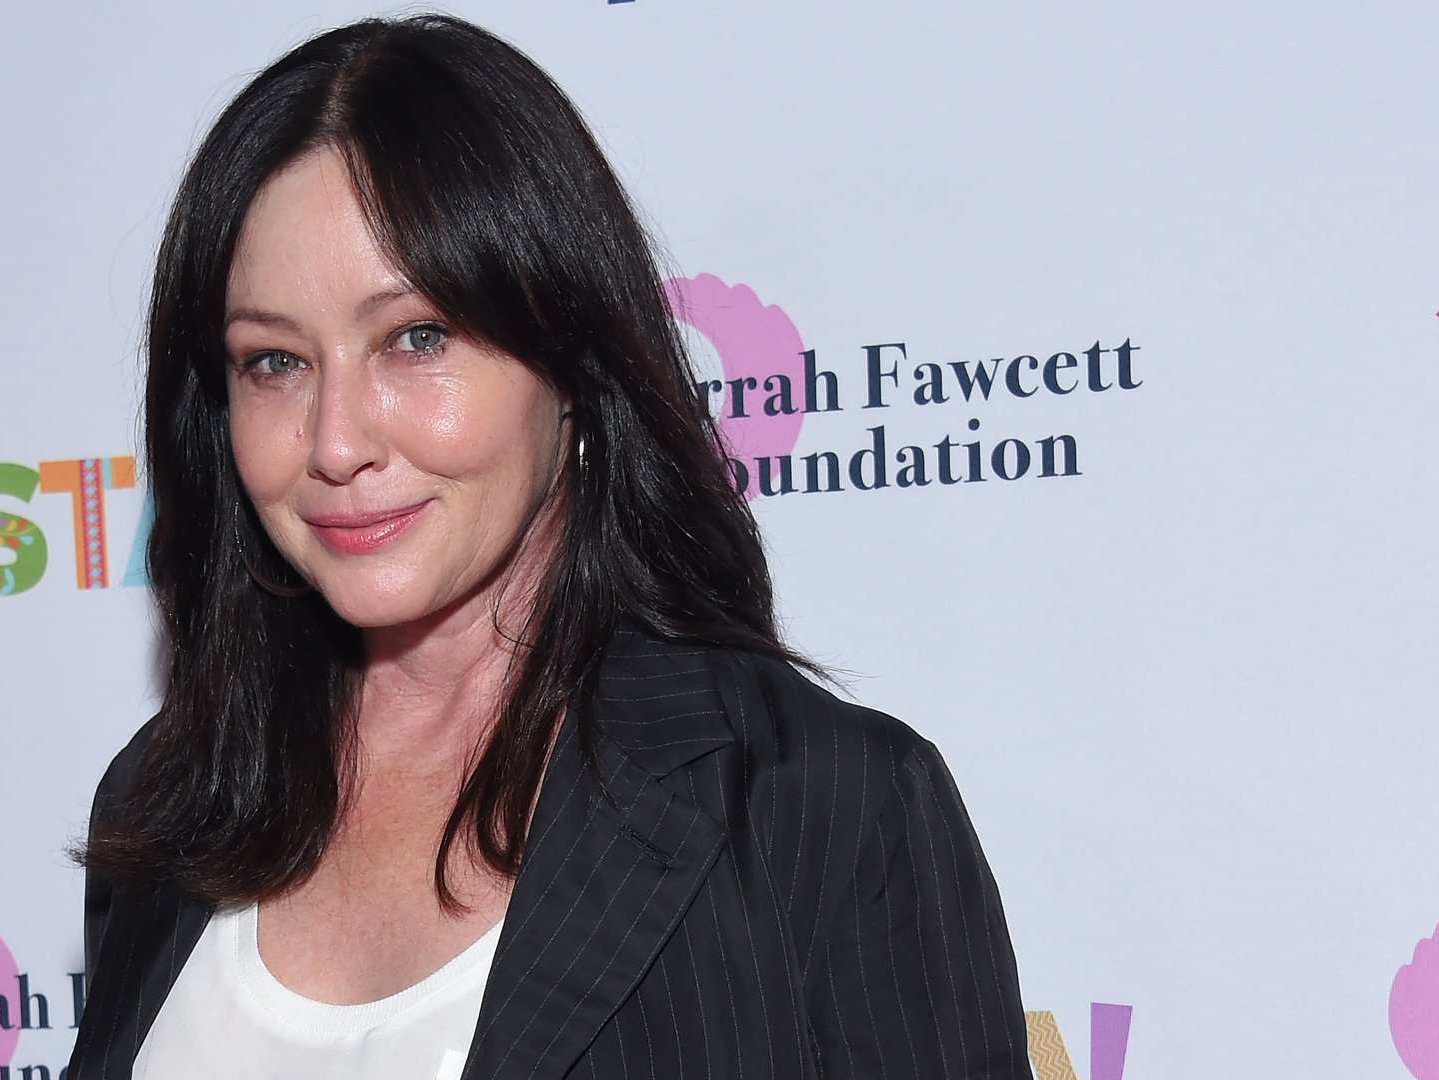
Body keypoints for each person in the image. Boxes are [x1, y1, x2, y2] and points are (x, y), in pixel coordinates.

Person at [68, 13, 1032, 1079]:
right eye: (273, 362)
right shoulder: (170, 798)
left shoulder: (822, 809)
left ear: (571, 360)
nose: (334, 442)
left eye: (416, 339)